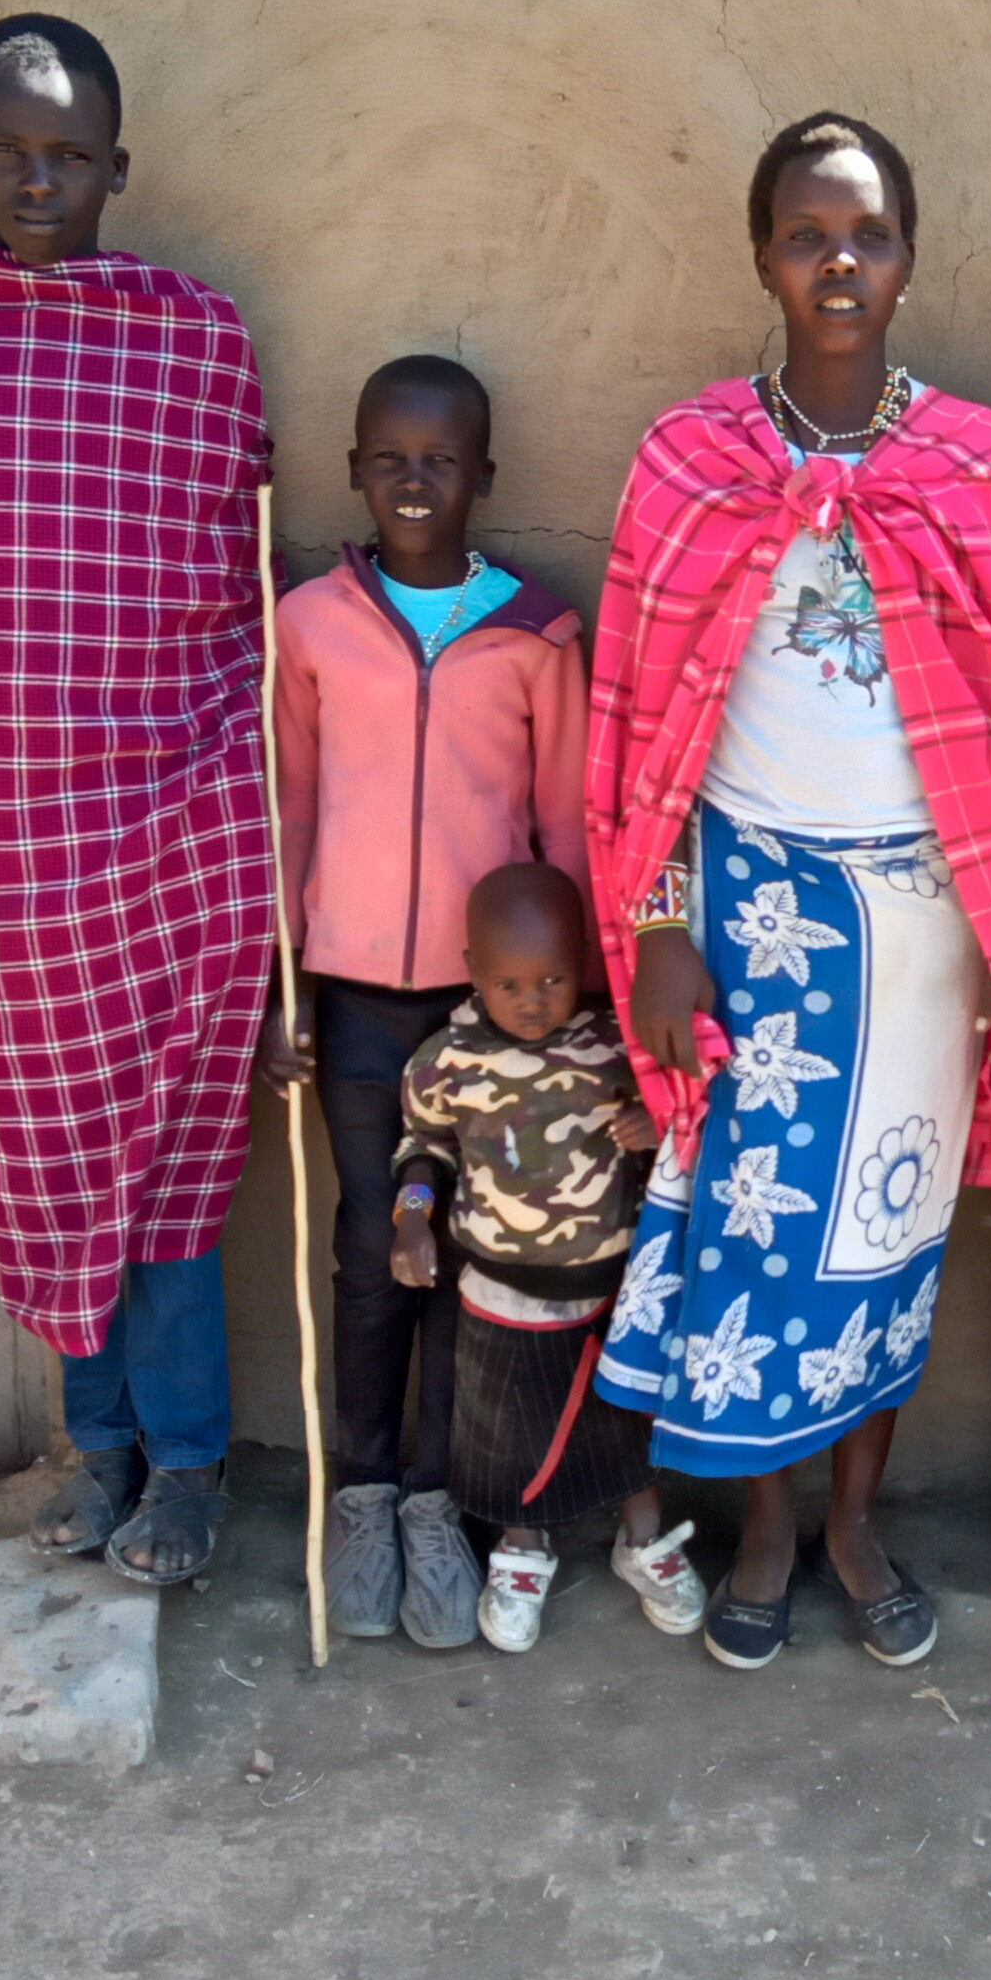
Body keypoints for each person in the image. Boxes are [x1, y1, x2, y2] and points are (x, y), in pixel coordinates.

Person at [586, 111, 991, 1672]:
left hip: (930, 919)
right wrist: (659, 925)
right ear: (763, 259)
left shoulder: (980, 466)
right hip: (750, 907)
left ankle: (858, 1523)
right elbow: (641, 730)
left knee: (888, 1227)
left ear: (909, 258)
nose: (839, 263)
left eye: (868, 235)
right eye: (807, 236)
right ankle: (765, 1527)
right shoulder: (689, 462)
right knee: (750, 1231)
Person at [0, 13, 267, 1586]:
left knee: (169, 1155)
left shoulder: (192, 343)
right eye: (6, 152)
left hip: (160, 831)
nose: (36, 181)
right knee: (44, 1155)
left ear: (116, 170)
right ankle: (103, 1449)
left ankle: (190, 1465)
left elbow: (228, 592)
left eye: (67, 156)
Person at [261, 356, 593, 1647]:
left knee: (467, 1255)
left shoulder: (535, 634)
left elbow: (564, 829)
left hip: (489, 1011)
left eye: (442, 460)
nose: (414, 481)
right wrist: (282, 981)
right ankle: (361, 1494)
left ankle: (438, 1500)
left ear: (483, 477)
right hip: (352, 997)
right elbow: (289, 806)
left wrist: (576, 1013)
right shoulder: (309, 624)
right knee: (370, 1249)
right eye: (389, 458)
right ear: (353, 469)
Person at [391, 864, 700, 1653]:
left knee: (625, 1418)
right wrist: (413, 1218)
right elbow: (423, 1146)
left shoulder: (614, 1046)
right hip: (501, 1287)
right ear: (473, 971)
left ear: (584, 962)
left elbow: (685, 1113)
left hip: (614, 1280)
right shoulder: (445, 1062)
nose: (533, 1001)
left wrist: (656, 1122)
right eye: (509, 985)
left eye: (553, 980)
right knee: (511, 1430)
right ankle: (522, 1552)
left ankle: (644, 1541)